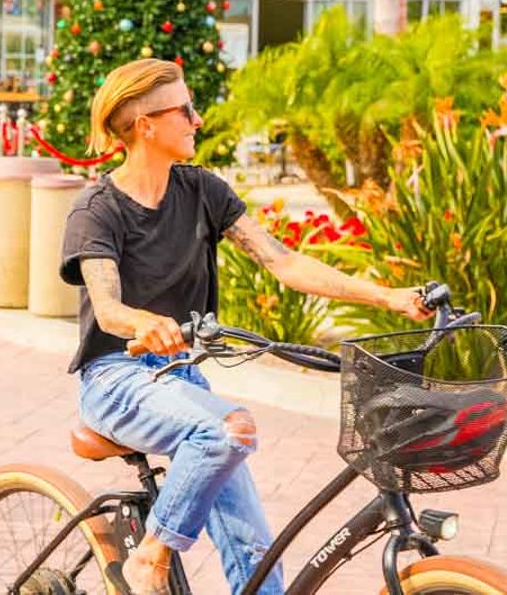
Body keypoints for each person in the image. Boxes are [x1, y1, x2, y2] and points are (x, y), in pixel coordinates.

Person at [59, 59, 430, 595]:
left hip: (181, 379)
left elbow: (284, 263)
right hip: (116, 379)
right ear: (146, 125)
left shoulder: (202, 191)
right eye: (185, 109)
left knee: (256, 556)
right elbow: (110, 309)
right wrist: (147, 323)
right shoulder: (97, 209)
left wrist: (388, 296)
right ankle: (152, 554)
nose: (197, 119)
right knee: (229, 429)